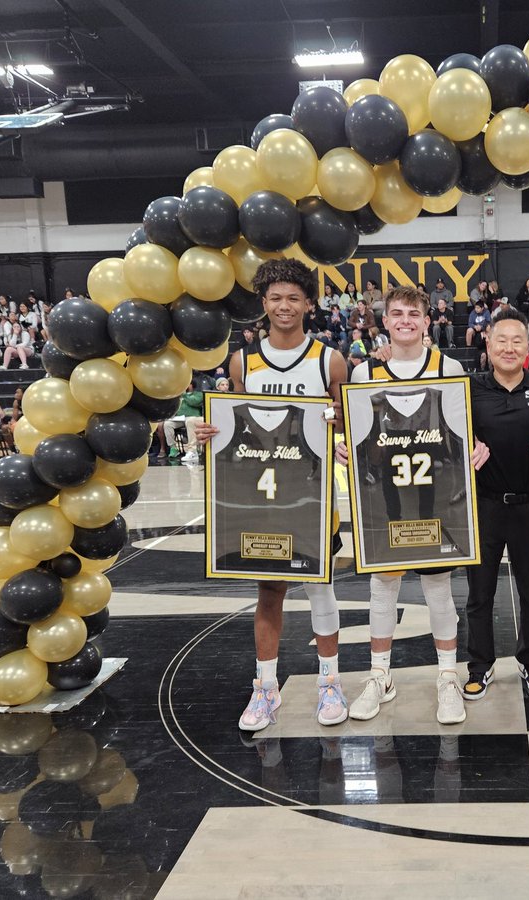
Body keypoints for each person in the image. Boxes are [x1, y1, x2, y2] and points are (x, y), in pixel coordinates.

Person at [194, 257, 350, 730]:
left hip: (313, 492)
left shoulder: (330, 359)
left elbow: (347, 420)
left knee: (320, 586)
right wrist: (211, 431)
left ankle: (329, 681)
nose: (285, 306)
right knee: (269, 591)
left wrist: (335, 424)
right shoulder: (243, 361)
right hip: (262, 497)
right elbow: (237, 422)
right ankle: (265, 688)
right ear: (263, 303)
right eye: (276, 298)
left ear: (309, 304)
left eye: (294, 298)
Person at [341, 286, 487, 727]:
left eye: (413, 314)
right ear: (384, 321)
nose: (405, 320)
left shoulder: (450, 367)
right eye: (397, 313)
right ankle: (380, 675)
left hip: (434, 489)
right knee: (383, 584)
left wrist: (476, 447)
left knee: (437, 585)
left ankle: (447, 676)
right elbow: (357, 434)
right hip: (384, 491)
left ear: (428, 322)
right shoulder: (365, 373)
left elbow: (462, 431)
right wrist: (345, 448)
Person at [464, 306, 529, 698]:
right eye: (502, 340)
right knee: (480, 594)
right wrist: (468, 446)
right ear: (488, 342)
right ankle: (480, 666)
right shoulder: (470, 387)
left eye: (518, 340)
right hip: (485, 506)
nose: (509, 347)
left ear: (528, 345)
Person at [163, 380, 205, 465]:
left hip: (193, 418)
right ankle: (173, 447)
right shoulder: (179, 397)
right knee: (167, 424)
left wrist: (184, 394)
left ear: (191, 385)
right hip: (180, 419)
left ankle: (192, 450)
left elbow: (194, 402)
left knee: (189, 422)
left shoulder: (198, 394)